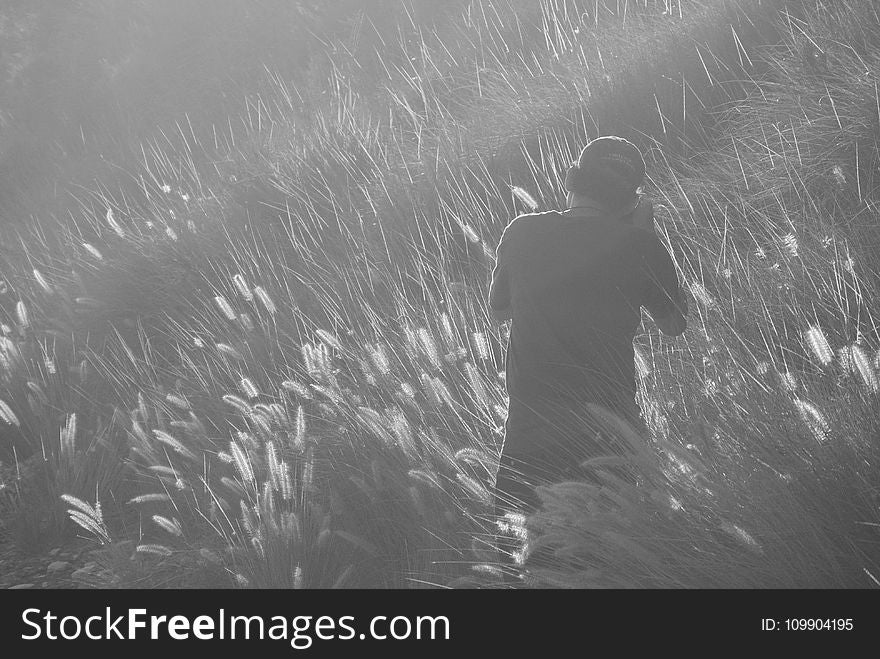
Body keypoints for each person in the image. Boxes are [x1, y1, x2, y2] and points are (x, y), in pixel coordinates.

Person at [489, 135, 688, 528]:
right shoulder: (640, 246)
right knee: (611, 563)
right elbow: (674, 324)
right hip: (610, 438)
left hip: (529, 439)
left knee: (524, 564)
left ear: (573, 182)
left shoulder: (522, 231)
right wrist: (644, 238)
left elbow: (499, 313)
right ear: (631, 200)